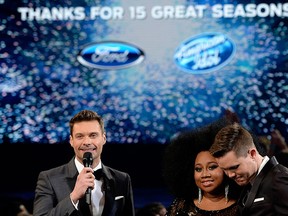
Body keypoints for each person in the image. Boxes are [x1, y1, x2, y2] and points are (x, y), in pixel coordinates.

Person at [33, 110, 135, 216]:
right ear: (71, 141)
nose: (87, 142)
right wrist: (74, 197)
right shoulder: (49, 178)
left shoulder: (122, 179)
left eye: (93, 135)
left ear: (104, 138)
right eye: (80, 136)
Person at [162, 118, 241, 216]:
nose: (204, 174)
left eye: (212, 167)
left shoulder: (242, 206)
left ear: (227, 167)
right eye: (198, 169)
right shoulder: (182, 206)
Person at [209, 122, 288, 215]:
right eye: (224, 169)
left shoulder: (279, 180)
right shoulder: (250, 182)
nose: (230, 175)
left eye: (234, 167)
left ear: (252, 154)